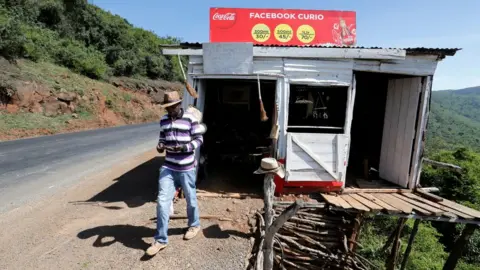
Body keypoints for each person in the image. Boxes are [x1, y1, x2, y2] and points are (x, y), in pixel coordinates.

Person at [146, 91, 204, 256]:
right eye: (167, 107)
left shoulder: (190, 119)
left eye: (172, 106)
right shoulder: (163, 120)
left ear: (179, 104)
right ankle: (160, 240)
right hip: (168, 167)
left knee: (191, 199)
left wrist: (185, 147)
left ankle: (194, 225)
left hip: (186, 167)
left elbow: (199, 139)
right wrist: (160, 146)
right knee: (162, 201)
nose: (170, 110)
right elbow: (162, 138)